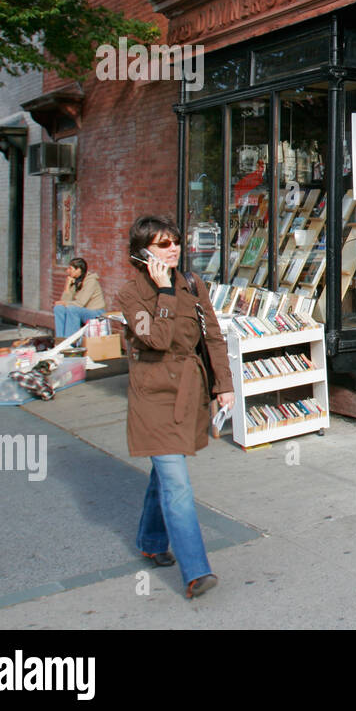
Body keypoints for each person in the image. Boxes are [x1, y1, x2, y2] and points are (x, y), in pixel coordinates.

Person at [117, 215, 233, 599]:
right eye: (164, 244)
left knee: (164, 473)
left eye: (176, 242)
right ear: (143, 252)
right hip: (152, 396)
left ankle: (151, 539)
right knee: (177, 483)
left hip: (187, 390)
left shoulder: (194, 284)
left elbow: (213, 337)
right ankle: (196, 572)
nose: (174, 249)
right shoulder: (130, 295)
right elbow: (158, 339)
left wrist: (224, 386)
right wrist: (165, 292)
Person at [53, 257, 106, 339]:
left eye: (70, 269)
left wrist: (65, 303)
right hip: (82, 311)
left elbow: (80, 303)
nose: (67, 271)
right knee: (59, 308)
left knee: (72, 309)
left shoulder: (91, 281)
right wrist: (67, 287)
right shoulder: (76, 280)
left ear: (78, 270)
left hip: (95, 313)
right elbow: (64, 302)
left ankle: (70, 342)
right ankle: (60, 340)